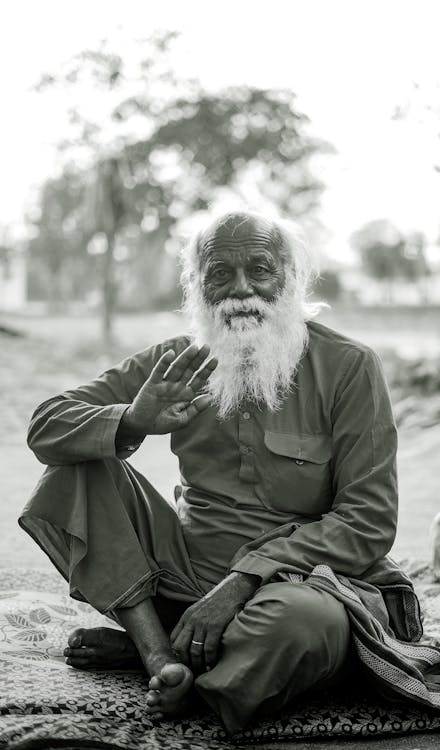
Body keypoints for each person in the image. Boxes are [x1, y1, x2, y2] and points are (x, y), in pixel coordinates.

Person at [20, 211, 399, 735]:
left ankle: (179, 663)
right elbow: (46, 424)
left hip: (300, 585)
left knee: (304, 627)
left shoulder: (349, 366)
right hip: (186, 575)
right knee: (74, 469)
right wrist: (133, 420)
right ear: (196, 286)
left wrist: (244, 580)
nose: (241, 291)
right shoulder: (177, 362)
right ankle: (160, 657)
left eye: (260, 270)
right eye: (220, 274)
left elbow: (370, 520)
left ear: (290, 278)